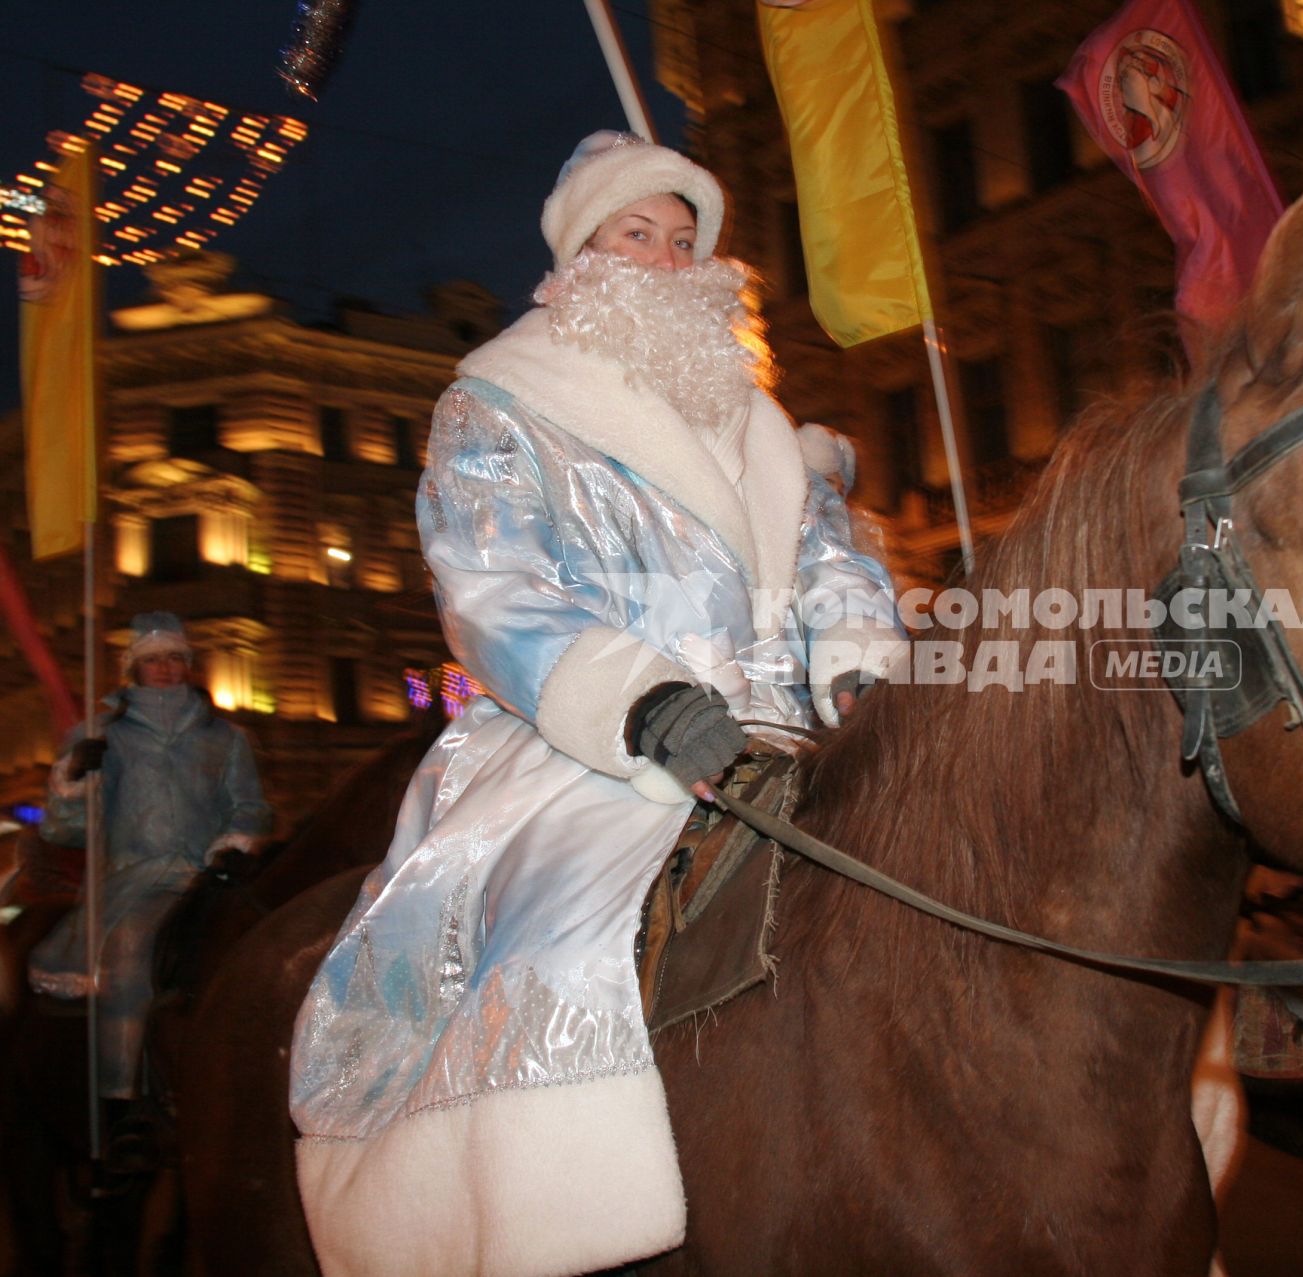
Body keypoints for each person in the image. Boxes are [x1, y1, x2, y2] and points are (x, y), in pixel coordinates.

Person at [288, 133, 903, 1277]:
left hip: (783, 716)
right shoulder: (501, 400)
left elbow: (830, 558)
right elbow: (491, 582)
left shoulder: (759, 418)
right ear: (584, 252)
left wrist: (859, 659)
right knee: (558, 940)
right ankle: (538, 1222)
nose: (669, 261)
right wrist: (645, 702)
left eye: (685, 242)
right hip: (588, 729)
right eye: (641, 236)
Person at [29, 611, 272, 1103]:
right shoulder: (100, 737)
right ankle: (121, 1099)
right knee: (129, 952)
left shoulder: (225, 738)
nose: (164, 668)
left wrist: (235, 842)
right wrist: (76, 784)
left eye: (174, 659)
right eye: (153, 660)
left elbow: (248, 806)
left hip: (212, 878)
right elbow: (66, 830)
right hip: (137, 881)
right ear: (135, 668)